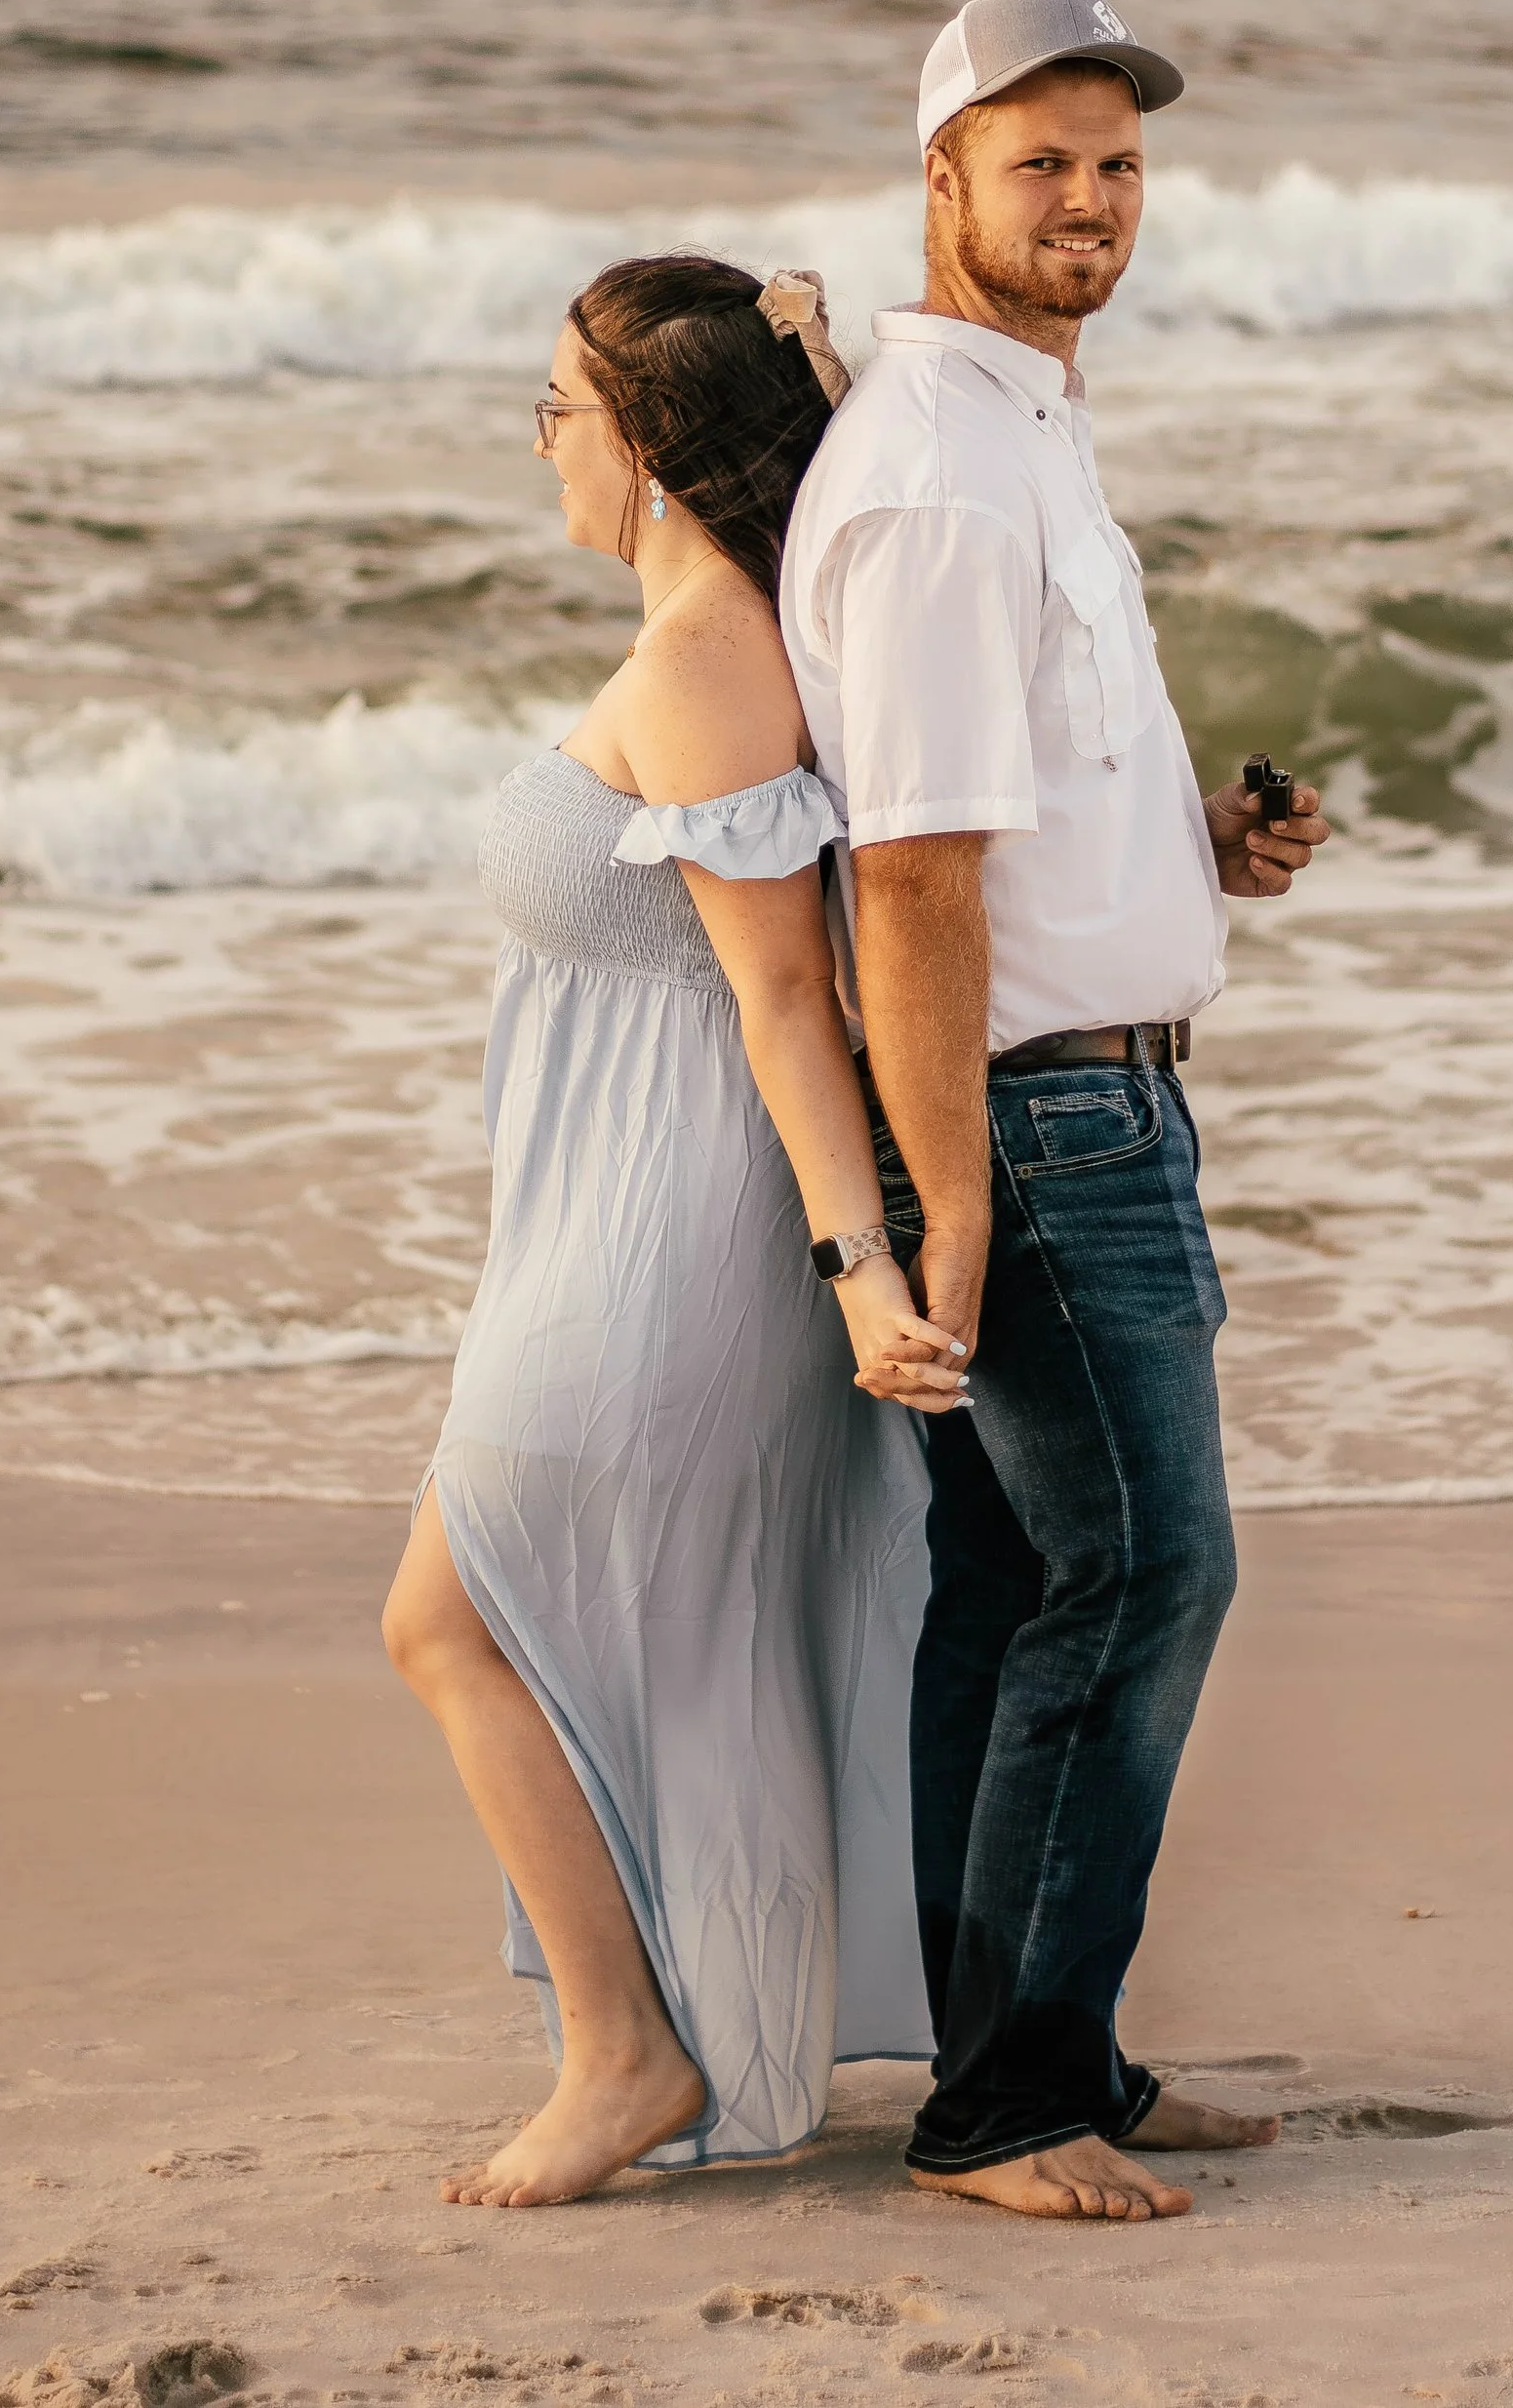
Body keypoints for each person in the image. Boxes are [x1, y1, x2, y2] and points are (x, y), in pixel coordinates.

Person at [779, 0, 1334, 2223]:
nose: (1090, 201)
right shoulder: (927, 467)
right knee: (1140, 1571)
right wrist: (953, 1203)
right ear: (941, 183)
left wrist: (1187, 834)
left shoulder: (1021, 424)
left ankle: (1048, 2055)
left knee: (1019, 1588)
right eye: (1041, 164)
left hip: (1098, 1094)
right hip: (1028, 1124)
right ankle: (1002, 2101)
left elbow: (1001, 800)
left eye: (1115, 164)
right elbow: (905, 869)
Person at [382, 254, 969, 2208]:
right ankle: (633, 2035)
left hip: (679, 1240)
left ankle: (624, 2051)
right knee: (526, 1619)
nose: (538, 445)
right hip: (601, 1216)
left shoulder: (715, 647)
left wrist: (851, 1268)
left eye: (554, 409)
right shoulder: (704, 633)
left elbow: (785, 998)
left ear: (638, 440)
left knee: (447, 1615)